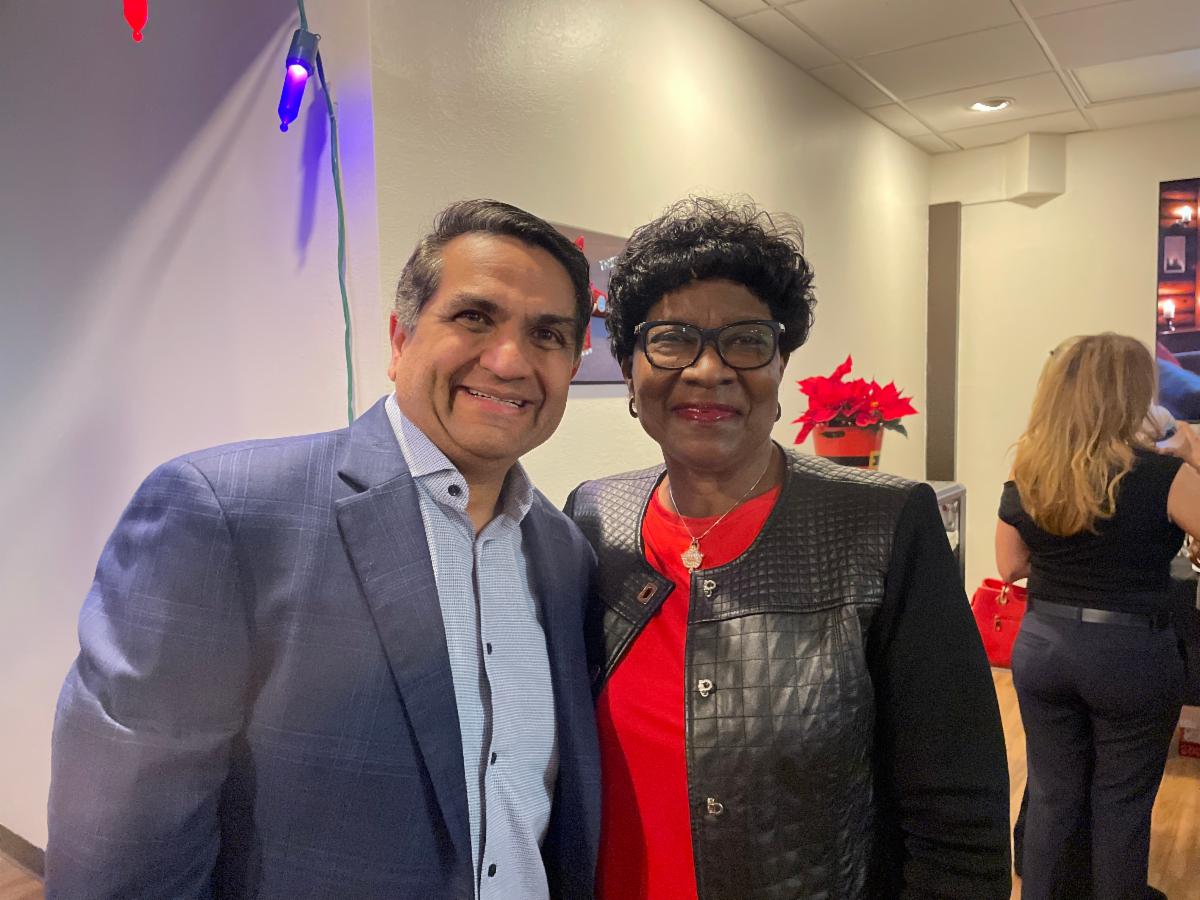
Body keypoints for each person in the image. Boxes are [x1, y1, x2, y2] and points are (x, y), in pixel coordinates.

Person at [46, 199, 601, 899]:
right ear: (399, 339)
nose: (509, 360)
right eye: (474, 317)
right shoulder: (226, 513)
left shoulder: (564, 552)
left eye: (547, 334)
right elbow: (123, 845)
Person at [565, 196, 1012, 899]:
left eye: (745, 340)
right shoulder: (595, 517)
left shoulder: (884, 525)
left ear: (781, 366)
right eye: (671, 339)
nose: (708, 369)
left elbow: (958, 819)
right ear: (629, 369)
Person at [995, 333, 1200, 900]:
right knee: (1121, 804)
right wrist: (1193, 452)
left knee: (1052, 796)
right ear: (1131, 395)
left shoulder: (1030, 472)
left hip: (1044, 647)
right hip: (1131, 656)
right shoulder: (1163, 476)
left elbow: (1010, 566)